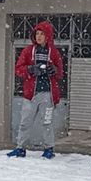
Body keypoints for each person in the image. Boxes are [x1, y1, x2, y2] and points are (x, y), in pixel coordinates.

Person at [7, 21, 64, 159]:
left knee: (47, 122)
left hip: (48, 95)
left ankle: (49, 148)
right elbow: (18, 69)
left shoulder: (54, 53)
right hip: (30, 95)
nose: (39, 36)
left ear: (48, 36)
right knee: (25, 122)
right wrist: (30, 69)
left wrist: (54, 70)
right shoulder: (28, 51)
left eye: (42, 34)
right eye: (37, 33)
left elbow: (61, 73)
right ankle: (20, 148)